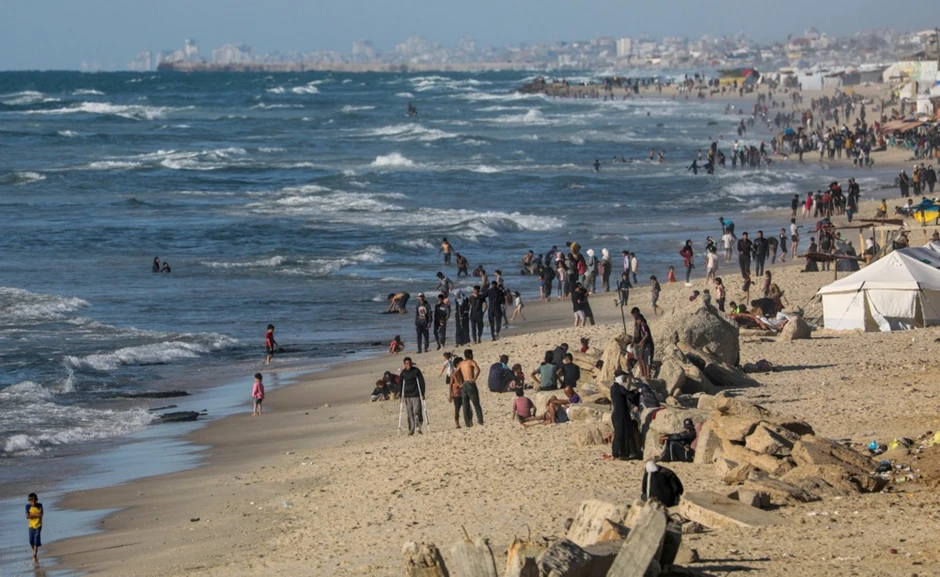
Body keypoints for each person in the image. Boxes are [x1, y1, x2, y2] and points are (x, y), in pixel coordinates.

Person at [607, 370, 642, 460]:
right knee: (621, 434)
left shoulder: (614, 387)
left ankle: (626, 453)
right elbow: (630, 396)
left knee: (626, 432)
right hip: (621, 414)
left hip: (620, 413)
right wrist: (638, 393)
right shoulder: (618, 387)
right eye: (624, 377)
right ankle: (619, 453)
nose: (625, 379)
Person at [400, 357, 427, 435]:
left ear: (411, 363)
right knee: (410, 413)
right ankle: (411, 429)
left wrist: (422, 393)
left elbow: (421, 381)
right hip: (407, 395)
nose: (408, 365)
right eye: (406, 363)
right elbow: (401, 384)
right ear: (404, 364)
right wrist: (401, 396)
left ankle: (418, 426)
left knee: (416, 411)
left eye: (409, 363)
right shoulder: (403, 373)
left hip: (416, 394)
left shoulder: (416, 371)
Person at [456, 349, 483, 427]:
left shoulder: (461, 363)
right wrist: (474, 379)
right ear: (470, 355)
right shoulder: (471, 362)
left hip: (464, 384)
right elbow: (478, 370)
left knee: (465, 405)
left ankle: (467, 423)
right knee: (476, 403)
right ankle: (480, 421)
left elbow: (455, 372)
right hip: (470, 383)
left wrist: (459, 382)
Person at [26, 492, 43, 565]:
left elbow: (40, 515)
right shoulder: (27, 506)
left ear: (36, 500)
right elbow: (27, 516)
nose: (33, 503)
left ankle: (34, 554)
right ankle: (35, 551)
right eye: (31, 501)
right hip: (31, 526)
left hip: (38, 525)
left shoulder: (40, 505)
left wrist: (32, 515)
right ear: (29, 501)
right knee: (30, 540)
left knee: (36, 539)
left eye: (34, 501)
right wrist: (36, 514)